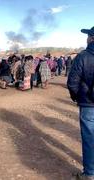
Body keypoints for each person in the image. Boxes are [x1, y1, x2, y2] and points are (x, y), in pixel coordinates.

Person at [68, 26, 94, 180]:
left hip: (88, 105)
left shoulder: (83, 56)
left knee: (90, 139)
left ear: (92, 38)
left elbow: (72, 83)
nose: (87, 38)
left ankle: (90, 174)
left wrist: (78, 98)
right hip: (88, 104)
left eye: (88, 35)